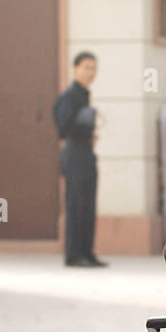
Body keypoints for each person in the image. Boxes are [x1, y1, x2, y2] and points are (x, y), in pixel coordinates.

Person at [53, 52, 105, 267]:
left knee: (88, 204)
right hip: (74, 153)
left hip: (86, 152)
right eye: (86, 67)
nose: (90, 72)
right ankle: (74, 255)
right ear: (75, 69)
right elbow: (63, 126)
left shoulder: (84, 94)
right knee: (76, 204)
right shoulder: (69, 96)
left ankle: (87, 252)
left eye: (93, 68)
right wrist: (84, 123)